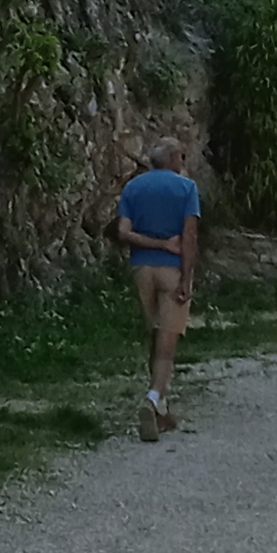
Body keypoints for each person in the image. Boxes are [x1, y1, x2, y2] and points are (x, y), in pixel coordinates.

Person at [113, 153, 201, 438]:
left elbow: (123, 232)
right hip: (171, 270)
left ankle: (162, 408)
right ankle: (152, 399)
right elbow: (189, 236)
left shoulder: (133, 187)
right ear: (175, 160)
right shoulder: (187, 188)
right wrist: (186, 276)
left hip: (142, 269)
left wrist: (156, 244)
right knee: (168, 341)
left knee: (156, 333)